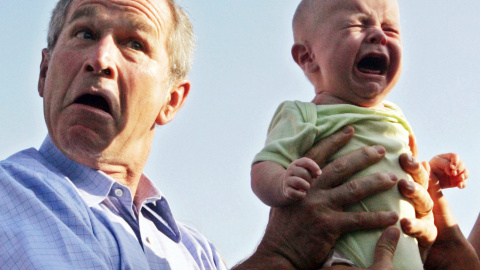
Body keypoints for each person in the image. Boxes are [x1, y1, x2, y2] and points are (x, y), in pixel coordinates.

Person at [0, 0, 472, 269]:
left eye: (134, 43)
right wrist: (282, 253)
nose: (100, 59)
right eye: (83, 33)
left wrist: (435, 238)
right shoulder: (10, 198)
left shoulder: (196, 252)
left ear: (172, 100)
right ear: (43, 71)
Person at [251, 0, 468, 269]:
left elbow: (403, 172)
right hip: (342, 257)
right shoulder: (304, 115)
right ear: (308, 57)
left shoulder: (396, 117)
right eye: (357, 24)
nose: (379, 34)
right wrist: (282, 183)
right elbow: (264, 166)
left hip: (406, 256)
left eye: (390, 29)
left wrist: (433, 174)